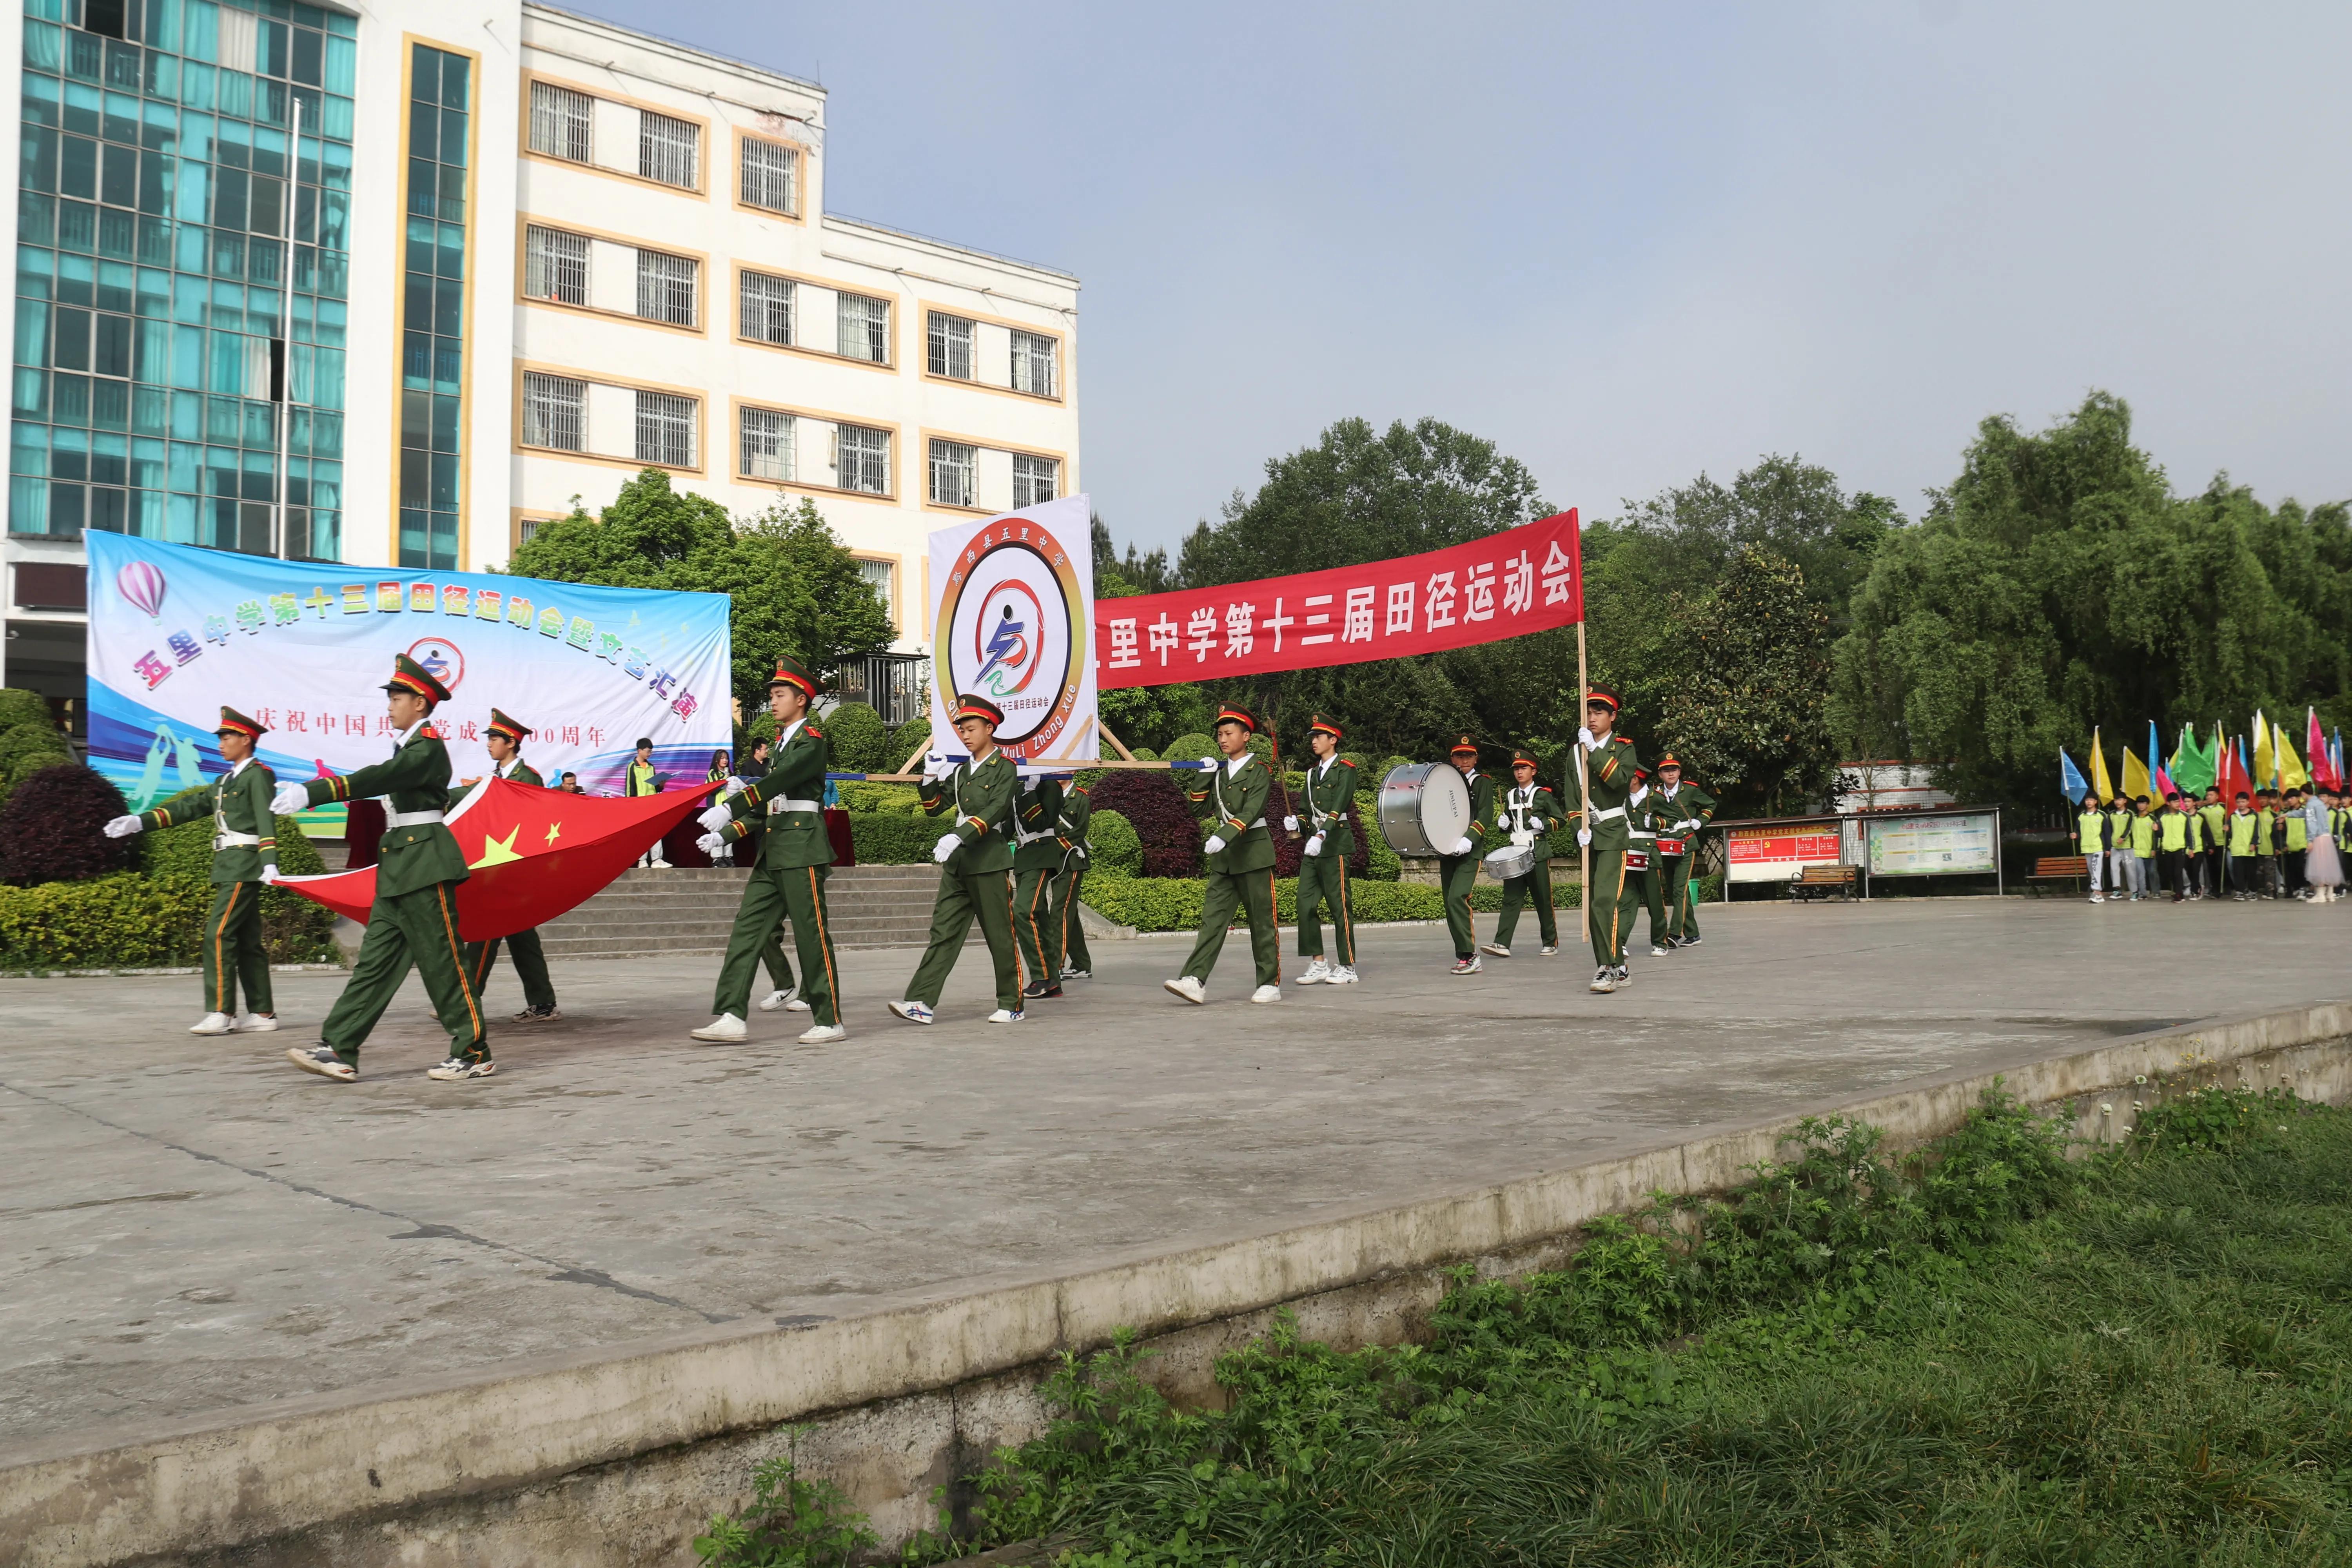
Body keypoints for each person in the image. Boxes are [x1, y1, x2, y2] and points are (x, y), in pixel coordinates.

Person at [270, 654, 490, 1082]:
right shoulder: (409, 746)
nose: (389, 704)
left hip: (425, 863)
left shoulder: (426, 747)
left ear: (421, 704)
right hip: (400, 866)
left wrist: (316, 792)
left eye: (397, 697)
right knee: (374, 964)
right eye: (390, 696)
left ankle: (473, 1051)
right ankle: (339, 1048)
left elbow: (383, 777)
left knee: (443, 962)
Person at [690, 657, 844, 1045]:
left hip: (802, 849)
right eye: (772, 695)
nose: (773, 702)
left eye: (780, 695)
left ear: (802, 699)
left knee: (811, 934)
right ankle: (731, 1014)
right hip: (774, 849)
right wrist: (728, 833)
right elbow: (769, 806)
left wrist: (730, 806)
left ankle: (829, 1018)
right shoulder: (780, 745)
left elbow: (780, 783)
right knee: (747, 930)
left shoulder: (810, 741)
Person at [103, 706, 281, 1036]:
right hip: (229, 865)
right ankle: (263, 1013)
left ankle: (221, 1011)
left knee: (218, 933)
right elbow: (189, 808)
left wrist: (269, 860)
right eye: (221, 737)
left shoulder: (259, 775)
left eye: (227, 737)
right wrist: (140, 822)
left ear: (246, 739)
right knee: (247, 941)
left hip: (245, 865)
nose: (221, 743)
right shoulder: (225, 781)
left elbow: (265, 817)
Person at [890, 693, 1025, 1024]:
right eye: (961, 729)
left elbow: (995, 811)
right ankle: (921, 1002)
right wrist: (930, 777)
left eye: (971, 728)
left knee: (999, 935)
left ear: (990, 729)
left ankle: (1012, 1003)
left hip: (988, 862)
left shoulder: (1005, 768)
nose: (965, 735)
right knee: (944, 932)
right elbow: (935, 807)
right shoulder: (963, 771)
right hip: (960, 863)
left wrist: (960, 835)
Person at [1165, 704, 1282, 1005]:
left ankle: (1269, 982)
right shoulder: (1219, 773)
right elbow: (1198, 810)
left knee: (1261, 922)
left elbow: (1252, 810)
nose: (1223, 739)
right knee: (1212, 921)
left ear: (1246, 736)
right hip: (1225, 860)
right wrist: (1204, 776)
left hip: (1253, 853)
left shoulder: (1259, 772)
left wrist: (1224, 835)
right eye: (1219, 734)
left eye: (1229, 733)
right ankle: (1194, 979)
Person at [456, 709, 563, 1024]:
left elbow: (534, 823)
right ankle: (543, 1003)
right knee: (523, 941)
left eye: (494, 739)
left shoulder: (527, 778)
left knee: (486, 932)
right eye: (489, 738)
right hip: (497, 865)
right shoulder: (494, 780)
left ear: (511, 743)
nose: (489, 744)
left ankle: (464, 1001)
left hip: (513, 870)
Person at [1561, 689, 1643, 993]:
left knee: (1604, 901)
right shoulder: (1574, 753)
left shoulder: (1623, 748)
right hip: (1589, 837)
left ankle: (1608, 966)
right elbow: (1571, 797)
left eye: (1599, 712)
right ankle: (1617, 965)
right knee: (1596, 906)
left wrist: (1594, 751)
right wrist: (1577, 827)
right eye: (1589, 712)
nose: (1592, 717)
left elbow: (1620, 782)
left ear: (1613, 717)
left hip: (1613, 834)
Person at [1289, 715, 1359, 984]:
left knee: (1339, 907)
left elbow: (1339, 806)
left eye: (1319, 737)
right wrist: (1297, 822)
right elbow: (1307, 812)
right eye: (1312, 737)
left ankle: (1348, 966)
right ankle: (1319, 963)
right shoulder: (1311, 774)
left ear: (1333, 740)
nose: (1314, 741)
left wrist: (1321, 833)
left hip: (1335, 845)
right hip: (1313, 848)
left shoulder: (1345, 769)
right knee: (1305, 904)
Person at [1481, 748, 1562, 958]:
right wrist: (1504, 825)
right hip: (1516, 853)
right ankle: (1501, 943)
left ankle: (1549, 942)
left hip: (1537, 853)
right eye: (1516, 768)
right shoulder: (1510, 795)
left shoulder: (1543, 795)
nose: (1519, 772)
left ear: (1533, 771)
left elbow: (1560, 820)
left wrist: (1543, 824)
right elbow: (1511, 824)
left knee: (1542, 899)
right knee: (1511, 899)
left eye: (1524, 768)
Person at [1436, 735, 1499, 975]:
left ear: (1476, 759)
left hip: (1470, 850)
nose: (1464, 760)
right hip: (1447, 850)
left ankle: (1471, 955)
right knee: (1449, 903)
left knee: (1457, 898)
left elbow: (1485, 815)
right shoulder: (1444, 783)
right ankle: (1462, 955)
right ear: (1451, 758)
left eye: (1469, 756)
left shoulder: (1482, 783)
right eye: (1459, 755)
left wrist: (1469, 838)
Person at [1014, 769, 1069, 1001]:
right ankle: (1052, 978)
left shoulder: (1049, 787)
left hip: (1041, 852)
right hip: (1024, 855)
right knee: (1039, 915)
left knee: (1023, 911)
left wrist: (1029, 792)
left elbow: (1041, 823)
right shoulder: (1020, 787)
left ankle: (1042, 976)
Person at [1651, 755, 1716, 947]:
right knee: (1675, 890)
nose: (1671, 773)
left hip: (1686, 844)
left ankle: (1675, 932)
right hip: (1665, 846)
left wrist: (1701, 821)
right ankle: (1693, 934)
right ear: (1660, 774)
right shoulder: (1655, 795)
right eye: (1666, 770)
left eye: (1674, 769)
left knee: (1679, 889)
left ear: (1679, 772)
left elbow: (1710, 805)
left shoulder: (1689, 790)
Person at [1050, 779, 1096, 983]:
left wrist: (1055, 847)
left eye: (1063, 768)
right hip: (1053, 860)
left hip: (1071, 860)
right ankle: (1081, 964)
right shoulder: (1049, 793)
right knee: (1070, 913)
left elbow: (1080, 830)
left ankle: (1055, 965)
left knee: (1059, 911)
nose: (1058, 773)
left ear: (1073, 770)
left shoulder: (1080, 797)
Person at [627, 737, 667, 868]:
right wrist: (631, 804)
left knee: (656, 832)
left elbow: (656, 787)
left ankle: (657, 860)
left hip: (653, 804)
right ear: (640, 751)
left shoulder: (651, 767)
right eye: (647, 751)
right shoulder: (632, 767)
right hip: (639, 805)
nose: (650, 754)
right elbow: (630, 787)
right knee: (642, 834)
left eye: (651, 751)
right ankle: (642, 861)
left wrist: (661, 785)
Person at [2302, 785, 2343, 903]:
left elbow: (2311, 823)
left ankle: (2320, 895)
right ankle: (2330, 894)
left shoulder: (2311, 804)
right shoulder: (2320, 805)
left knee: (2319, 866)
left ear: (2303, 794)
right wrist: (2288, 815)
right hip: (2327, 837)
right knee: (2328, 866)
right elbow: (2304, 813)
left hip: (2318, 838)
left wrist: (2310, 840)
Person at [2158, 792, 2195, 904]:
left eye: (2178, 801)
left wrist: (2191, 848)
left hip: (2180, 848)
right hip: (2167, 848)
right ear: (2168, 803)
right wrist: (2156, 830)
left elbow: (2189, 833)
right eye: (2174, 802)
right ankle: (2179, 892)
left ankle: (2178, 893)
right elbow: (2160, 835)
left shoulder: (2184, 816)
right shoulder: (2163, 817)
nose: (2177, 804)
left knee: (2178, 872)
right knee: (2170, 872)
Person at [2076, 791, 2111, 904]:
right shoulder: (2081, 816)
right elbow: (2078, 831)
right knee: (2092, 871)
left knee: (2096, 869)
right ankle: (2099, 895)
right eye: (2087, 800)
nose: (2089, 802)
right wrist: (2076, 835)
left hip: (2098, 846)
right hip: (2086, 847)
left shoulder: (2101, 815)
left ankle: (2096, 892)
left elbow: (2107, 832)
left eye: (2091, 800)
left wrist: (2108, 848)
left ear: (2096, 802)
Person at [2226, 791, 2259, 899]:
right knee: (2238, 872)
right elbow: (2230, 833)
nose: (2241, 804)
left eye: (2243, 802)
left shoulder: (2254, 815)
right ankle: (2240, 891)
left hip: (2249, 848)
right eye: (2239, 802)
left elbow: (2256, 831)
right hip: (2236, 848)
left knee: (2250, 872)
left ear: (2248, 802)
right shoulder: (2233, 816)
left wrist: (2254, 843)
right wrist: (2227, 830)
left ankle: (2253, 891)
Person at [706, 749, 736, 864]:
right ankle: (717, 858)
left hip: (729, 807)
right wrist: (724, 781)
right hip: (716, 807)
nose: (725, 761)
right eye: (722, 758)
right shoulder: (713, 773)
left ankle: (728, 856)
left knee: (729, 831)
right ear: (717, 760)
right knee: (716, 832)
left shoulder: (730, 773)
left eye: (727, 758)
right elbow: (712, 790)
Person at [2197, 787, 2227, 898]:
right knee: (2211, 868)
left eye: (2212, 795)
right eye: (2208, 795)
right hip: (2209, 844)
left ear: (2217, 796)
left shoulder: (2224, 808)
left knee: (2221, 867)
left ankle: (2223, 888)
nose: (2209, 797)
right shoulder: (2201, 811)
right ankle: (2215, 889)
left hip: (2221, 842)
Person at [2282, 788, 2309, 899]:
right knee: (2292, 868)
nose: (2290, 801)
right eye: (2288, 799)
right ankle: (2297, 887)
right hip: (2291, 844)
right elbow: (2284, 831)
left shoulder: (2306, 811)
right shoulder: (2286, 813)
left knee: (2301, 867)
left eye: (2292, 798)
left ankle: (2304, 887)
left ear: (2299, 798)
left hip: (2303, 843)